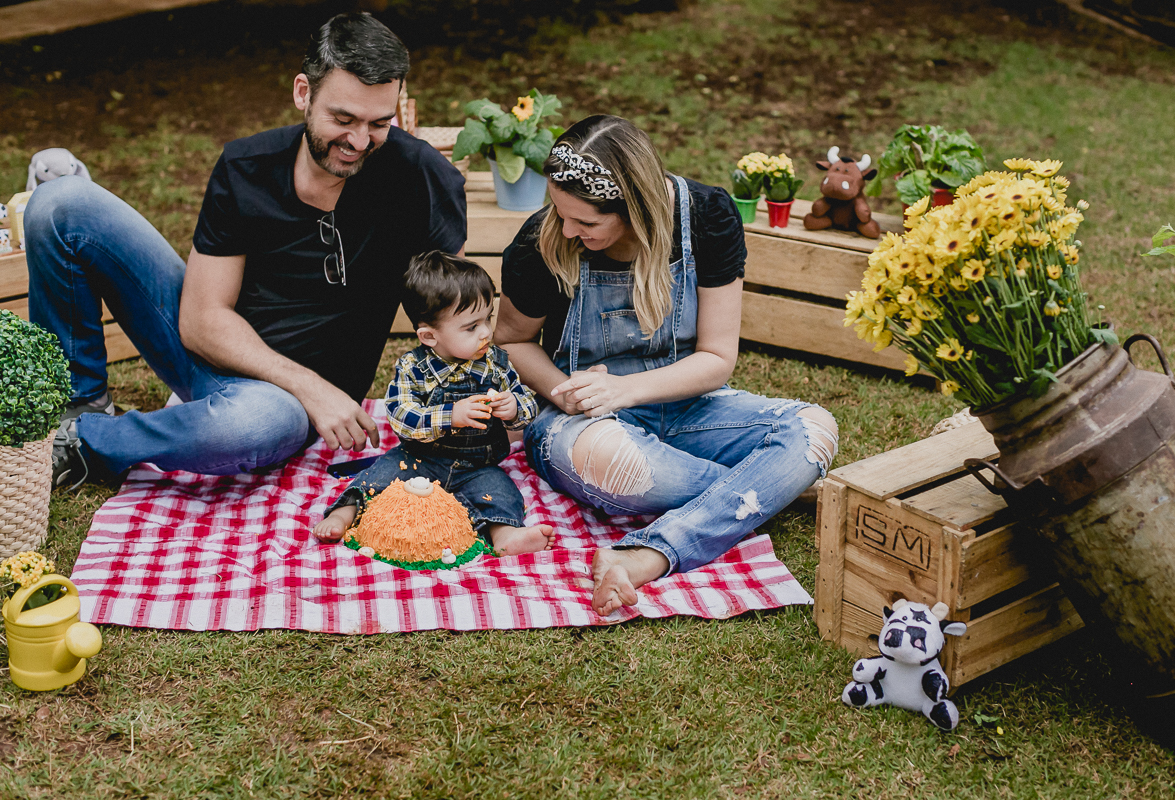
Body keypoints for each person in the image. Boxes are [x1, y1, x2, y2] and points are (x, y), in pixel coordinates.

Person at [25, 12, 467, 488]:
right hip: (211, 356)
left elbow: (450, 316)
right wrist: (312, 386)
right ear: (303, 92)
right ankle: (77, 409)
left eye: (379, 123)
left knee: (253, 425)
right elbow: (199, 323)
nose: (359, 142)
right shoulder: (246, 168)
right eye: (343, 119)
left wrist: (465, 408)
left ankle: (88, 442)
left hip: (279, 409)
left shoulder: (421, 180)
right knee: (59, 203)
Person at [494, 115, 839, 615]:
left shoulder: (706, 216)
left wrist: (625, 391)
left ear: (634, 209)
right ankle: (767, 488)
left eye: (587, 222)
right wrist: (563, 388)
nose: (567, 229)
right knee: (616, 464)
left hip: (687, 405)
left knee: (814, 430)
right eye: (561, 212)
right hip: (583, 423)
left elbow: (718, 360)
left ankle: (646, 554)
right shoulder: (544, 240)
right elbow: (512, 341)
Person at [313, 252, 554, 555]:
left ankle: (505, 534)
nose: (486, 332)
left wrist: (514, 408)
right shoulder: (414, 368)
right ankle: (343, 514)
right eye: (471, 326)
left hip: (477, 466)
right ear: (429, 336)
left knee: (500, 492)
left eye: (487, 319)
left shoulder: (496, 364)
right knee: (379, 476)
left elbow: (527, 402)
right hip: (418, 458)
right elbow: (401, 415)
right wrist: (450, 415)